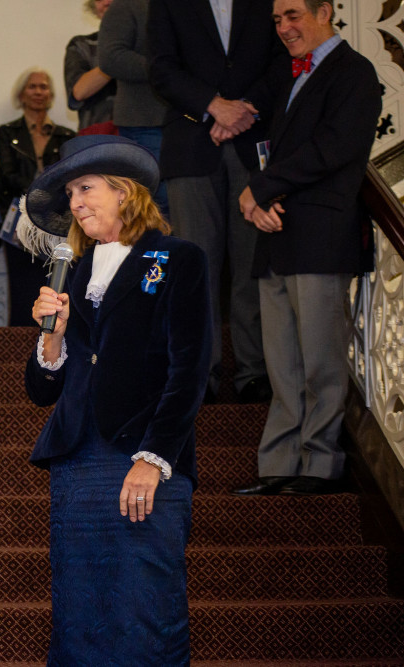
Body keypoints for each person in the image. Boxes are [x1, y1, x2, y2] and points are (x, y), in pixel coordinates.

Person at [23, 135, 211, 662]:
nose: (75, 203)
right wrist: (53, 335)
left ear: (125, 192)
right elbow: (41, 391)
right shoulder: (74, 272)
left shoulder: (177, 259)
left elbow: (190, 371)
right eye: (70, 194)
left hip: (143, 455)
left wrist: (154, 459)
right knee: (80, 612)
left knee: (145, 610)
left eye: (85, 188)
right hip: (77, 461)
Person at [233, 0, 381, 496]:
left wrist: (262, 187)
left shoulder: (354, 73)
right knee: (282, 362)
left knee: (320, 360)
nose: (284, 27)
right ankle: (278, 463)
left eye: (293, 15)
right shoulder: (290, 75)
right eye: (277, 20)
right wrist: (260, 197)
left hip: (319, 234)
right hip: (277, 234)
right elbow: (272, 149)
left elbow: (332, 149)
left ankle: (320, 464)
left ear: (326, 12)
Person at [149, 0, 287, 404]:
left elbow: (282, 61)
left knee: (252, 263)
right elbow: (160, 68)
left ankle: (254, 370)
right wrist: (214, 106)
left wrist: (242, 112)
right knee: (196, 267)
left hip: (253, 139)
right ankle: (199, 373)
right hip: (192, 142)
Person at [0, 67, 75, 326]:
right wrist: (43, 191)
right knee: (21, 290)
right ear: (21, 94)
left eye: (44, 87)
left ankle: (52, 346)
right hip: (19, 222)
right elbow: (7, 175)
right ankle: (20, 355)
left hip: (58, 221)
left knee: (56, 287)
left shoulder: (66, 135)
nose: (39, 92)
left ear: (50, 94)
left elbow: (69, 178)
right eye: (33, 86)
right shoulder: (7, 133)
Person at [97, 0, 169, 214]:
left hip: (185, 120)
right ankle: (156, 249)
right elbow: (111, 58)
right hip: (145, 121)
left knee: (184, 205)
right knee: (159, 205)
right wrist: (169, 70)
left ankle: (175, 248)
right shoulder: (126, 6)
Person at [63, 0, 116, 134]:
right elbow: (79, 92)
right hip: (96, 139)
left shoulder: (148, 43)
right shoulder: (82, 45)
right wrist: (119, 57)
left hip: (143, 137)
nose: (106, 2)